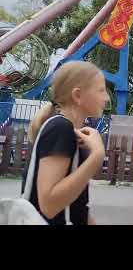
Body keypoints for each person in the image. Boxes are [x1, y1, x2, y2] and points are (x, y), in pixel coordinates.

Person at [21, 61, 110, 225]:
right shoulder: (60, 128)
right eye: (101, 90)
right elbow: (49, 205)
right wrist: (97, 156)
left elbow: (77, 206)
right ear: (77, 95)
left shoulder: (69, 131)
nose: (107, 97)